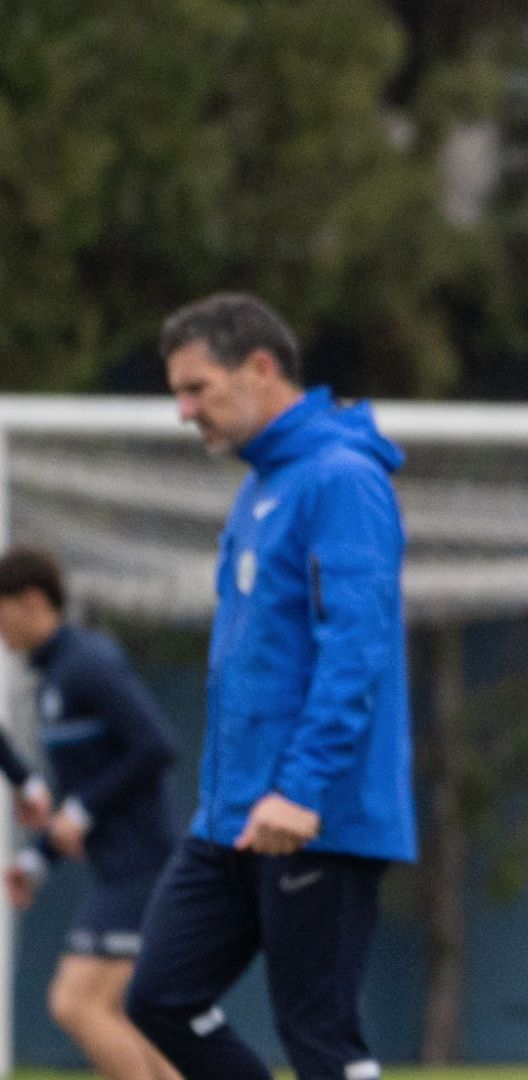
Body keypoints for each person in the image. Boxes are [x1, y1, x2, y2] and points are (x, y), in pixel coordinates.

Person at [125, 293, 415, 1080]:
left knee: (318, 1034)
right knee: (160, 997)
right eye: (177, 393)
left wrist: (301, 788)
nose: (184, 411)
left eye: (198, 389)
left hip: (313, 812)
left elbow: (355, 650)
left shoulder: (342, 480)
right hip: (233, 816)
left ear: (259, 368)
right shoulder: (261, 486)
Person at [0, 547, 182, 1080]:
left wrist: (79, 809)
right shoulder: (53, 676)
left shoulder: (87, 662)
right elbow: (83, 792)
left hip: (141, 866)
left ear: (32, 602)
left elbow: (156, 745)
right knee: (124, 1015)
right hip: (117, 869)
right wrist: (37, 861)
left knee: (76, 1003)